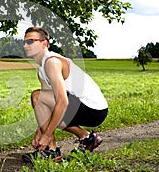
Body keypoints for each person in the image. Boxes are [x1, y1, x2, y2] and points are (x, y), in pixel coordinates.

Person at [22, 27, 108, 162]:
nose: (26, 45)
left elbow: (62, 101)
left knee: (37, 96)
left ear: (44, 43)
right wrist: (39, 133)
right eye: (25, 42)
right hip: (84, 108)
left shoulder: (52, 62)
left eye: (30, 41)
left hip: (93, 109)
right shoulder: (41, 70)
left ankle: (50, 150)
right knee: (47, 105)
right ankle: (87, 138)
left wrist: (46, 135)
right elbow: (44, 107)